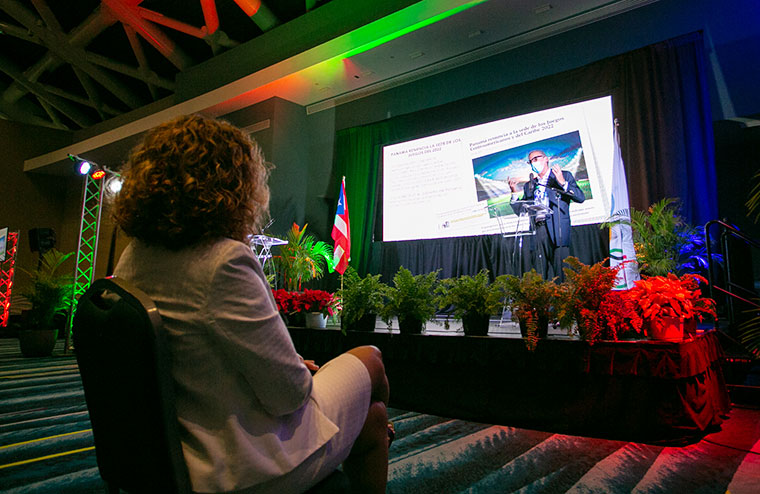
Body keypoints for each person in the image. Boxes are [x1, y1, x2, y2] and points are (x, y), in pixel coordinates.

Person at [111, 114, 390, 494]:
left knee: (373, 417)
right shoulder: (224, 261)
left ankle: (373, 428)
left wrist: (289, 369)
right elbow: (289, 396)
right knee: (371, 357)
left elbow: (193, 353)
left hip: (171, 450)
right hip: (242, 469)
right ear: (235, 185)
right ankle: (375, 432)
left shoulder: (133, 257)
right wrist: (296, 373)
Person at [507, 149, 585, 281]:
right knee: (540, 273)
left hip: (556, 229)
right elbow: (521, 210)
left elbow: (580, 197)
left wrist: (562, 183)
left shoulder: (563, 176)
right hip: (538, 230)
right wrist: (514, 192)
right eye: (530, 161)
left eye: (536, 159)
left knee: (562, 273)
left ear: (546, 159)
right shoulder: (530, 185)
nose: (533, 163)